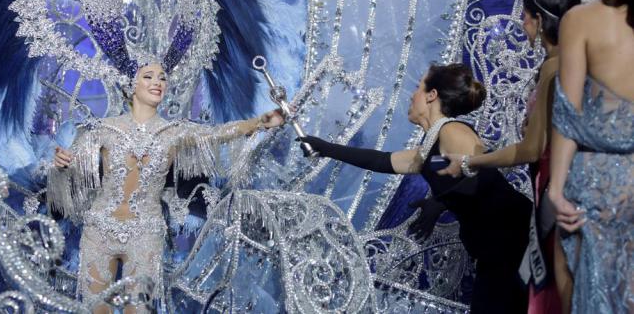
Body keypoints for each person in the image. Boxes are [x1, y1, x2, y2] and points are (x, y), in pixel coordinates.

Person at [298, 63, 532, 313]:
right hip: (493, 249)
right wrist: (326, 148)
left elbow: (482, 177)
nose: (412, 95)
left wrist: (439, 202)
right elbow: (382, 161)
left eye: (418, 88)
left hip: (513, 239)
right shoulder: (429, 148)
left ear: (432, 96)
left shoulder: (452, 130)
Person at [50, 63, 284, 313]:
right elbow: (71, 173)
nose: (157, 82)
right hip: (99, 229)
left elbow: (218, 134)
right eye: (148, 76)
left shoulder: (174, 132)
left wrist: (259, 122)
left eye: (162, 78)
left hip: (146, 234)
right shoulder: (103, 129)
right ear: (131, 86)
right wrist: (61, 165)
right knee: (96, 310)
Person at [439, 0, 581, 314]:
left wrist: (474, 161)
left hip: (554, 184)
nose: (522, 23)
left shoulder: (554, 69)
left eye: (526, 16)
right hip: (559, 181)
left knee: (557, 286)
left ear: (540, 21)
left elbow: (530, 150)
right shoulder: (567, 64)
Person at [546, 0, 634, 312]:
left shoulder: (581, 19)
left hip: (593, 180)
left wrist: (556, 187)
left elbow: (568, 115)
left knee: (578, 293)